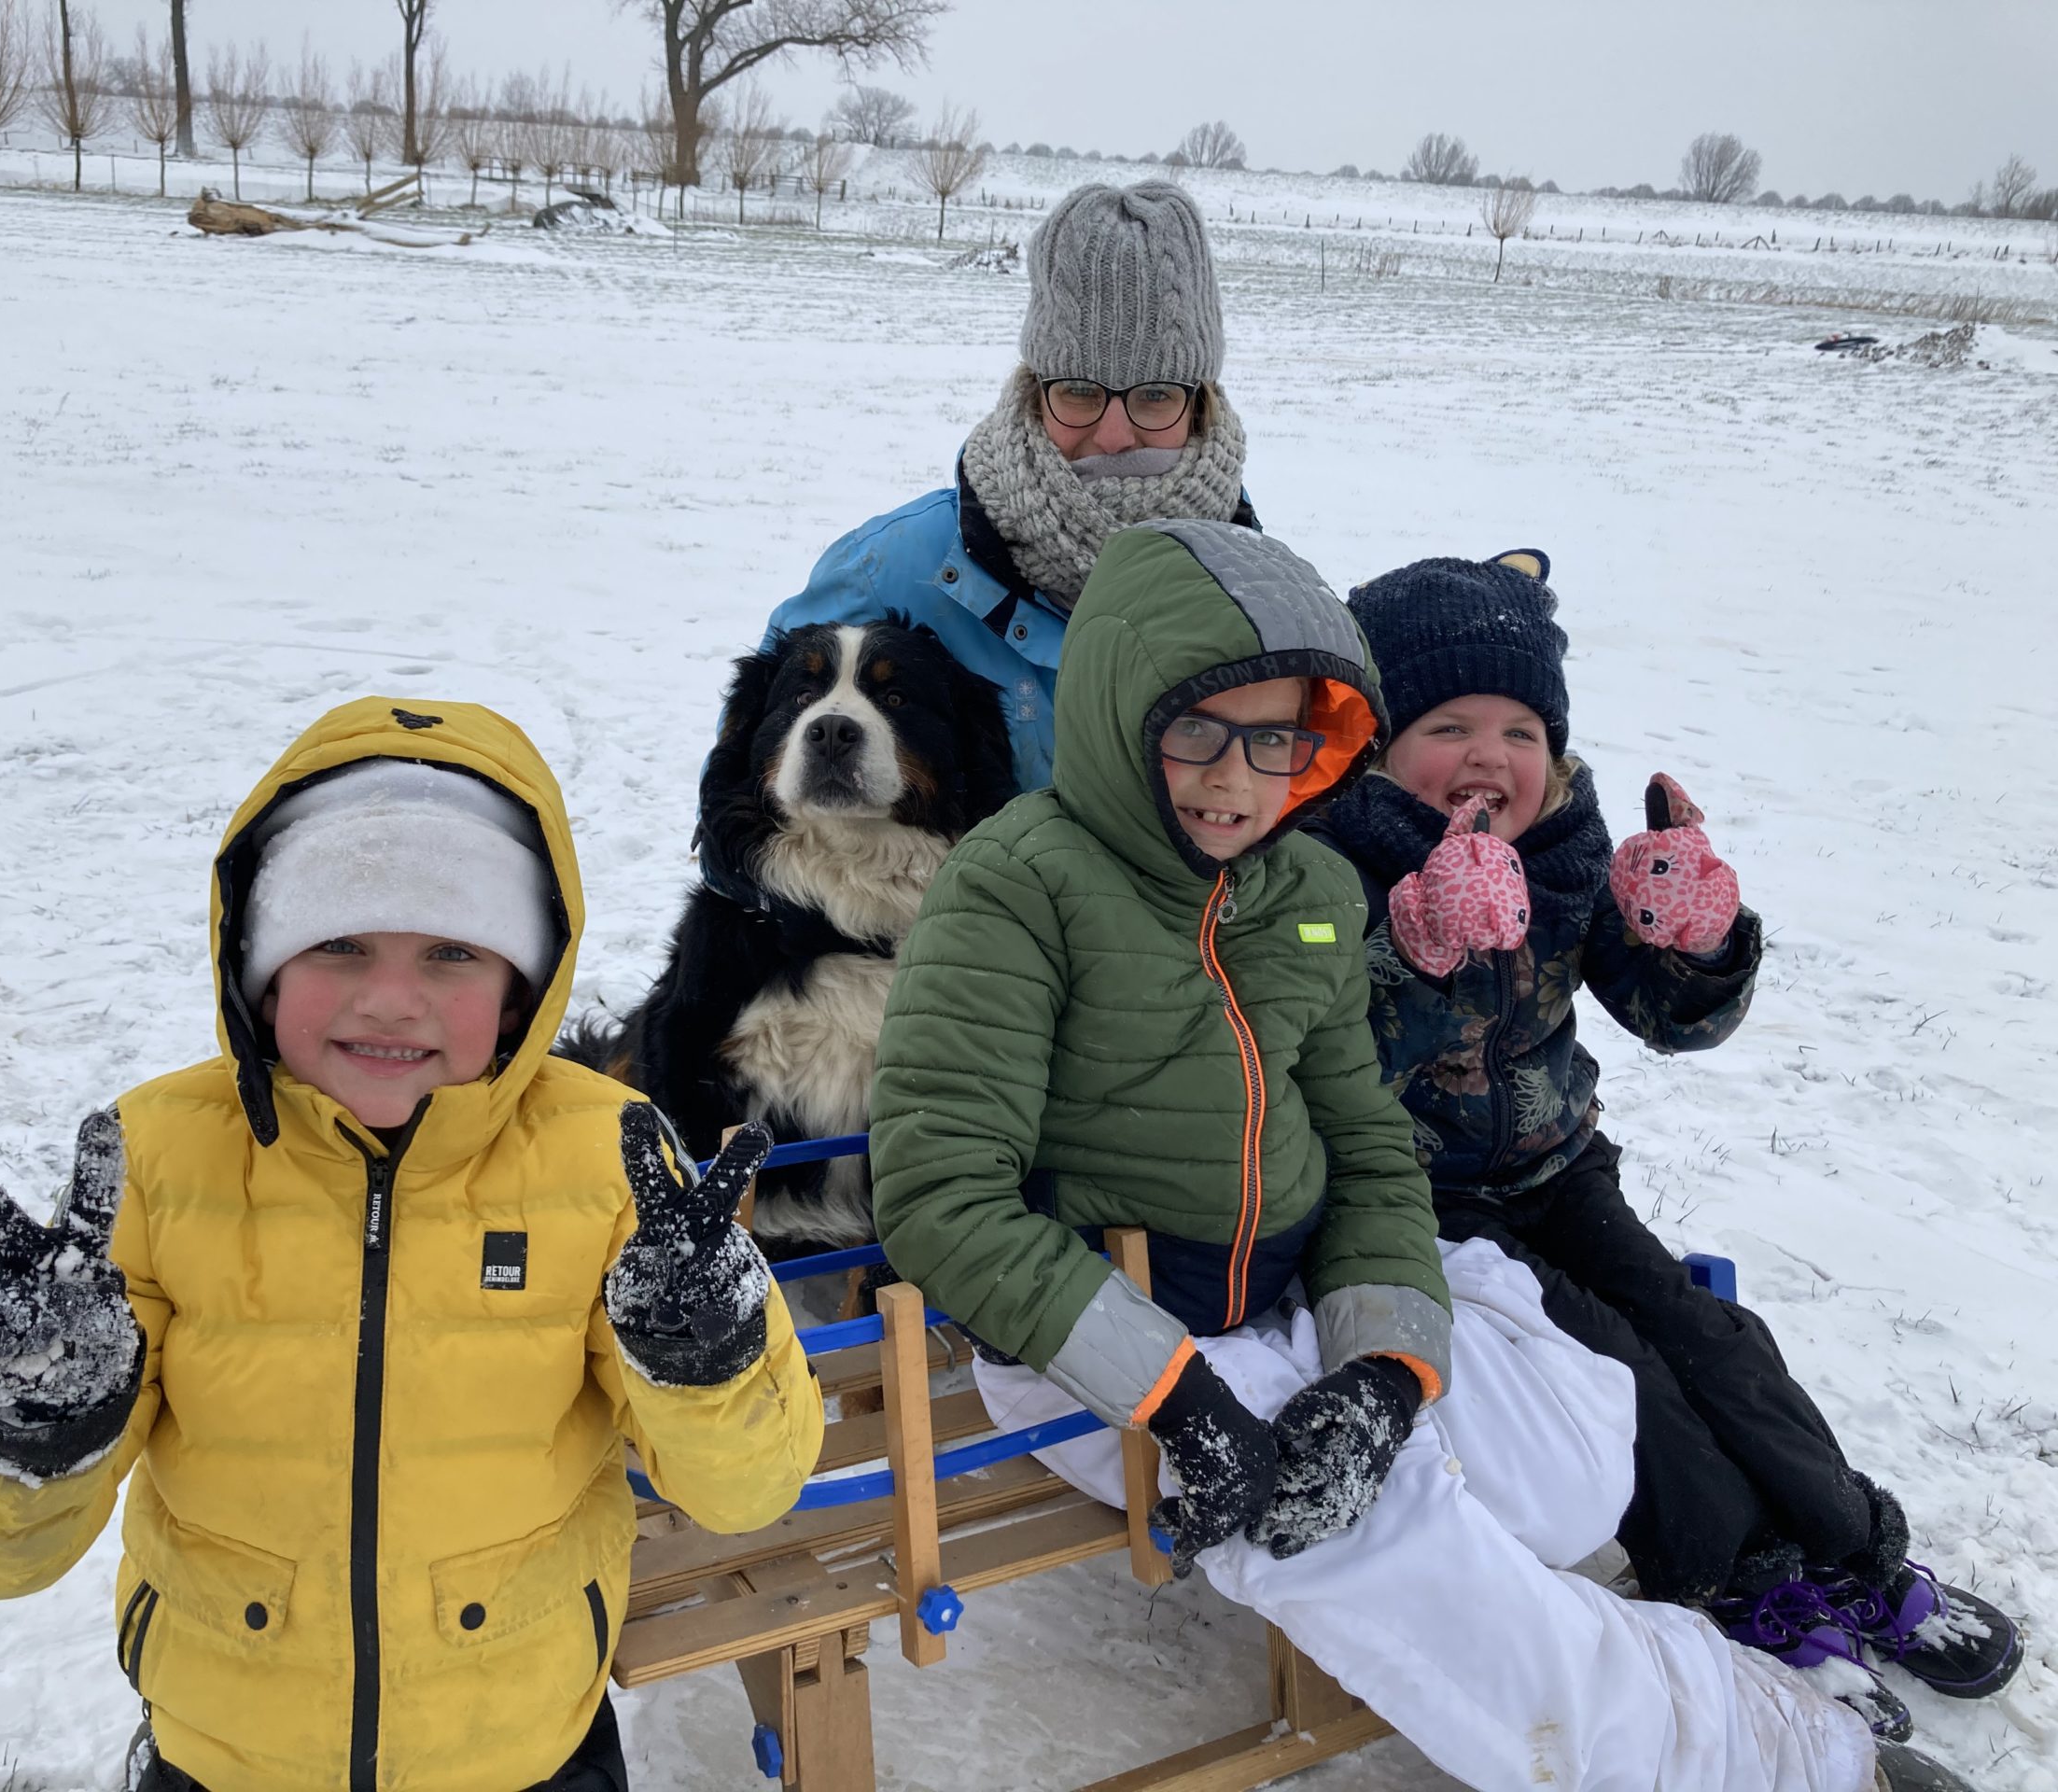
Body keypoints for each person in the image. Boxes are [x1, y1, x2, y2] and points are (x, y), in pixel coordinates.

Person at [869, 519, 1969, 1792]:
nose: (1237, 778)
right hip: (1097, 1340)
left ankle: (1753, 1591)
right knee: (1387, 1536)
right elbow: (941, 1196)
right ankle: (1782, 1762)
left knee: (1570, 1470)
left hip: (1285, 1297)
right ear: (1124, 712)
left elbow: (1371, 1154)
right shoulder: (1017, 888)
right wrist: (1181, 1400)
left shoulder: (1307, 895)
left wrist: (1385, 1376)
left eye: (1277, 739)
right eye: (1199, 730)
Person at [0, 698, 825, 1792]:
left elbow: (746, 1493)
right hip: (230, 1753)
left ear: (522, 990)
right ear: (259, 967)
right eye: (336, 943)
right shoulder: (160, 1160)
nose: (390, 1000)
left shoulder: (604, 1159)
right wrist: (36, 1420)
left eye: (451, 951)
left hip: (522, 1747)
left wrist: (709, 1362)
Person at [1302, 550, 2021, 1738]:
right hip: (1416, 1203)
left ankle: (1856, 1550)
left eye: (1521, 731)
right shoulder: (1329, 865)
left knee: (1708, 1337)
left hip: (1556, 1169)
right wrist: (1417, 952)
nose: (1489, 756)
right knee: (1617, 1370)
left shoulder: (1564, 848)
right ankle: (1742, 1585)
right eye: (1448, 727)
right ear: (1379, 745)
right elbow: (1315, 1054)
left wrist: (1694, 945)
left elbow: (1668, 1021)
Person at [753, 179, 1256, 801]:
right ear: (1035, 391)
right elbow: (751, 787)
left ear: (1200, 403)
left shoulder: (1254, 590)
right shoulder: (890, 570)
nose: (1115, 435)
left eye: (1156, 395)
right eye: (1080, 391)